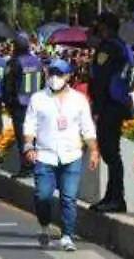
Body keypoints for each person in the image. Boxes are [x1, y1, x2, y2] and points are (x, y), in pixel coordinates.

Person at [22, 59, 98, 252]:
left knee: (69, 198)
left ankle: (67, 235)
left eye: (59, 74)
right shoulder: (38, 98)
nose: (54, 78)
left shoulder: (79, 100)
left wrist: (94, 151)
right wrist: (29, 146)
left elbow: (87, 127)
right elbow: (29, 125)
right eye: (52, 73)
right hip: (45, 156)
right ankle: (45, 226)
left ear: (68, 76)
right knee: (43, 196)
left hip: (71, 156)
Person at [88, 11, 133, 213]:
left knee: (110, 152)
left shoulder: (111, 47)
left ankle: (117, 197)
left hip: (111, 104)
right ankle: (112, 195)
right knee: (109, 152)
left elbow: (102, 78)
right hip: (111, 104)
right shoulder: (117, 46)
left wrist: (97, 105)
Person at [4, 35, 44, 178]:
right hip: (37, 104)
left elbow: (8, 86)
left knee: (23, 137)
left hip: (20, 105)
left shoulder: (14, 62)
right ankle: (37, 166)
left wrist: (8, 104)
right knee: (36, 136)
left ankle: (27, 167)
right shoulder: (38, 62)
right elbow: (43, 84)